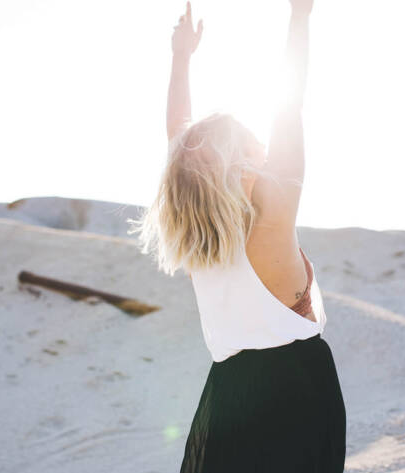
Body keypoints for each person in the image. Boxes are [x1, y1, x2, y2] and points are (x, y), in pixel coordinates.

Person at [129, 1, 346, 471]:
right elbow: (290, 107)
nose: (265, 150)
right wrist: (299, 17)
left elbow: (178, 137)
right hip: (298, 396)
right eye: (254, 144)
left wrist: (181, 58)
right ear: (237, 162)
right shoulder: (271, 217)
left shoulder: (199, 246)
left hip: (227, 397)